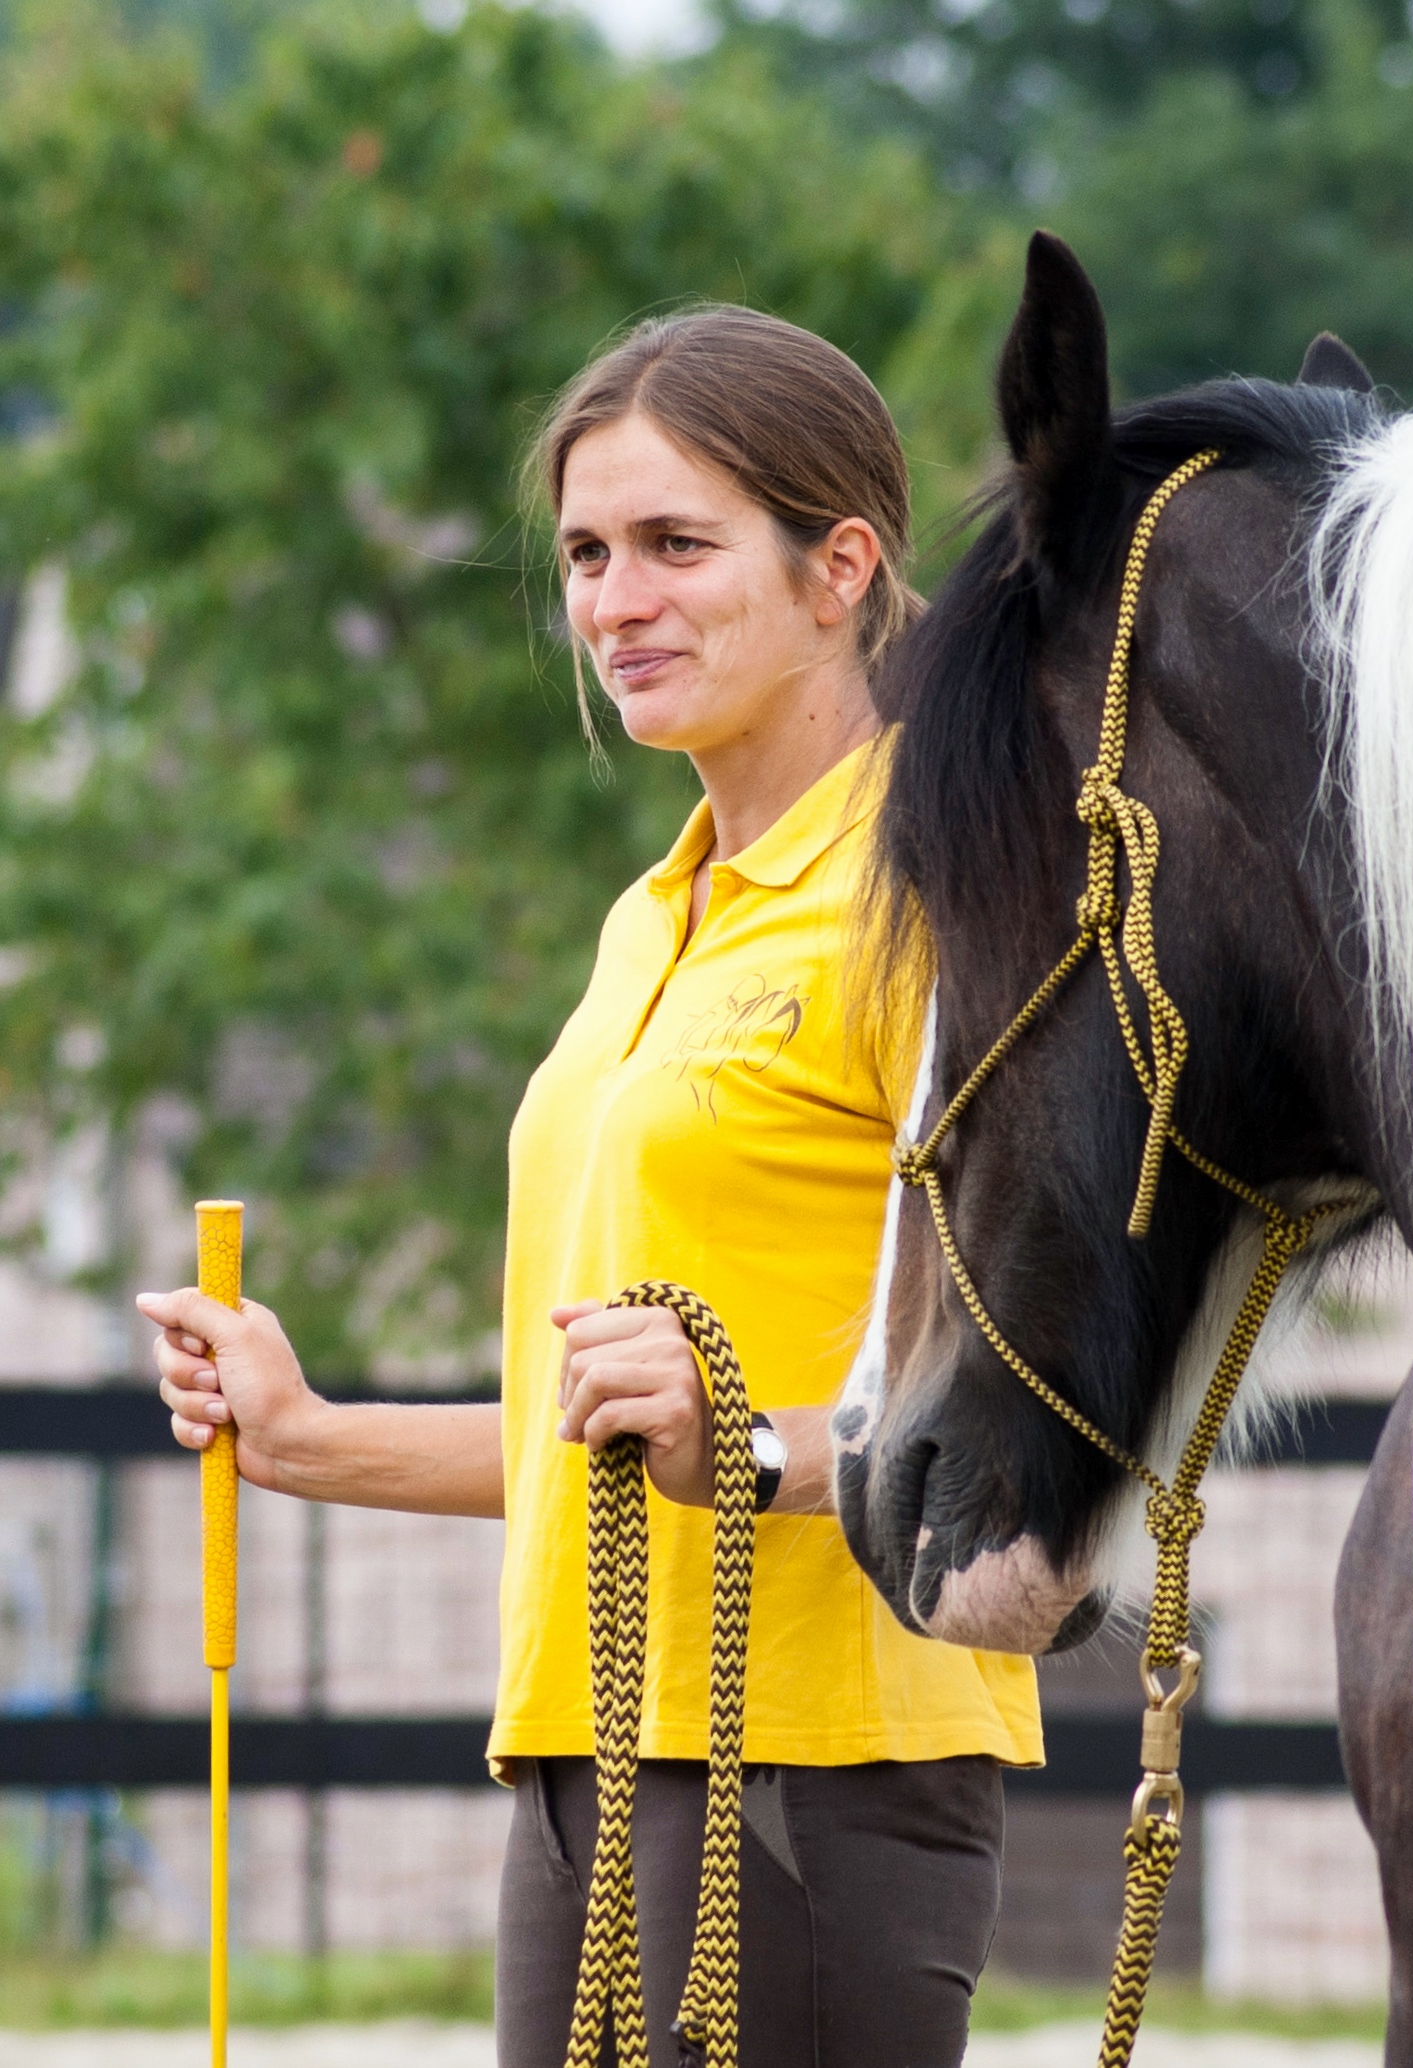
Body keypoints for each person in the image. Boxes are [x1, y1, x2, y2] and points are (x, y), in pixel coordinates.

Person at [139, 307, 1044, 2068]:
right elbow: (612, 1446)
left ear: (836, 566)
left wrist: (766, 1449)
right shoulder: (655, 914)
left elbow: (1030, 1417)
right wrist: (306, 1431)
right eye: (584, 554)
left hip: (816, 1772)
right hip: (578, 1754)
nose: (614, 600)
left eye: (675, 545)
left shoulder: (936, 899)